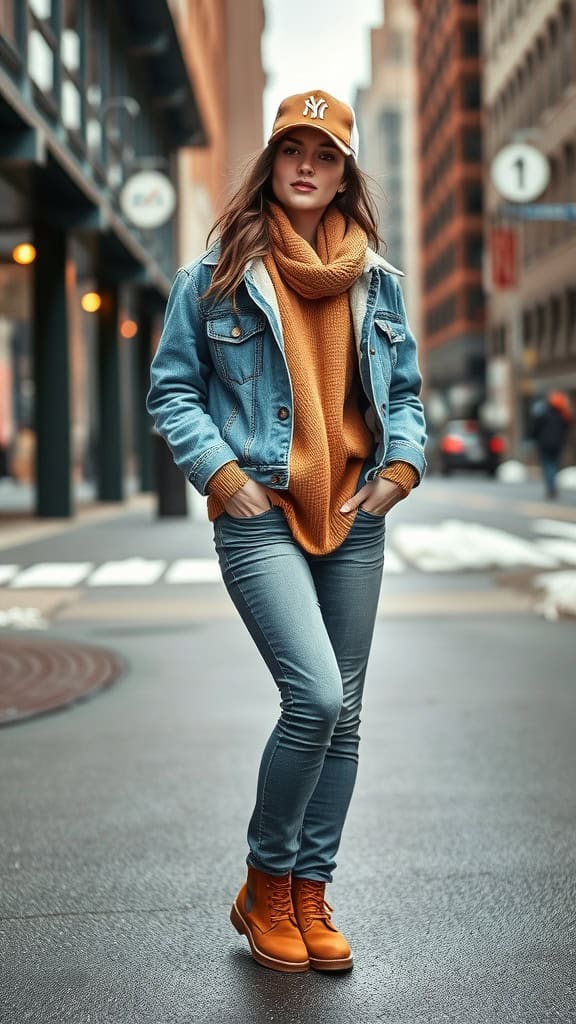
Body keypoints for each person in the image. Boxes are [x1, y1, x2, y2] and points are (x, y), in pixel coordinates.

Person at [147, 89, 427, 974]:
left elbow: (407, 398)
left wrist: (396, 475)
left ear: (346, 174)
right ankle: (266, 883)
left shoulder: (377, 281)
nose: (306, 165)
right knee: (313, 697)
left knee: (343, 718)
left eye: (326, 153)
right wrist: (225, 479)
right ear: (271, 163)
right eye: (290, 149)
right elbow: (172, 391)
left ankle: (310, 894)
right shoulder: (216, 275)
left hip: (354, 515)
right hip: (261, 511)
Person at [530, 391, 572, 499]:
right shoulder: (562, 415)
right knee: (553, 465)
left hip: (545, 444)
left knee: (548, 466)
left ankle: (551, 487)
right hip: (557, 444)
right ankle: (552, 485)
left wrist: (534, 439)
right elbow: (566, 429)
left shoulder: (544, 414)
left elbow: (535, 429)